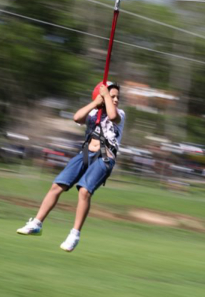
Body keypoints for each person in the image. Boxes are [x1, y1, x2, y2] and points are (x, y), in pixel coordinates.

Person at [17, 81, 126, 252]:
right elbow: (77, 118)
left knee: (84, 191)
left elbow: (112, 117)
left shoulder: (119, 113)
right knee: (57, 185)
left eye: (117, 97)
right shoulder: (93, 113)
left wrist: (106, 97)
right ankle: (37, 223)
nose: (116, 100)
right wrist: (96, 102)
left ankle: (74, 234)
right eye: (112, 96)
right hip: (85, 153)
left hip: (105, 155)